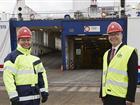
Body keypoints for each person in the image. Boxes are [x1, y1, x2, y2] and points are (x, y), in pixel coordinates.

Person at [3, 26, 49, 105]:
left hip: (35, 100)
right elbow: (8, 78)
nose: (26, 42)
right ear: (18, 41)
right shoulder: (12, 58)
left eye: (28, 40)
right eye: (23, 40)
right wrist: (13, 95)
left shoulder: (35, 59)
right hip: (19, 100)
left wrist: (44, 91)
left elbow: (41, 76)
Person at [100, 21, 138, 105]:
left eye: (116, 34)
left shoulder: (130, 52)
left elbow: (133, 78)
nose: (113, 37)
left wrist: (130, 98)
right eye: (110, 34)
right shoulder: (106, 53)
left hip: (121, 97)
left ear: (121, 35)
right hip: (107, 96)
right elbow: (104, 75)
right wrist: (102, 94)